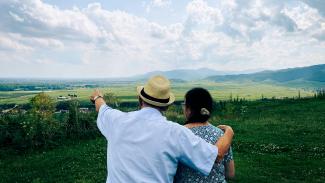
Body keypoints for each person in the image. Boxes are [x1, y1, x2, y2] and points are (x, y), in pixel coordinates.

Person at [90, 75, 234, 183]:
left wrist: (97, 97)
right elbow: (216, 155)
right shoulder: (175, 133)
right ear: (166, 106)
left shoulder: (116, 120)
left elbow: (102, 107)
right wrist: (229, 133)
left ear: (140, 99)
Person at [174, 88, 235, 183]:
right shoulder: (222, 135)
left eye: (184, 104)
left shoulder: (178, 133)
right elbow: (230, 174)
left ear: (189, 109)